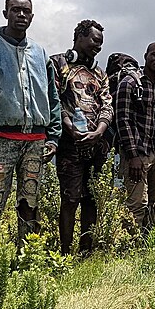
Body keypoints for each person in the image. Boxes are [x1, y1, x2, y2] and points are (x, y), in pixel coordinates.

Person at [0, 0, 61, 251]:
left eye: (26, 11)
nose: (21, 15)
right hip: (0, 138)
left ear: (32, 16)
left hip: (36, 140)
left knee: (29, 201)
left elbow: (52, 95)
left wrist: (53, 135)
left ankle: (26, 256)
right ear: (5, 13)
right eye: (15, 10)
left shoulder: (40, 53)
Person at [51, 19, 113, 255]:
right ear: (79, 37)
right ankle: (65, 254)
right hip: (70, 145)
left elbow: (107, 104)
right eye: (95, 41)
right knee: (70, 199)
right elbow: (53, 101)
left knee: (92, 199)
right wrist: (70, 128)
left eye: (101, 43)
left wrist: (99, 131)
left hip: (97, 145)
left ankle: (85, 251)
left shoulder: (100, 73)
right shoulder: (58, 64)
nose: (98, 46)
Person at [115, 42, 155, 237]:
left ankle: (146, 243)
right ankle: (130, 246)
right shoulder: (130, 84)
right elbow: (122, 120)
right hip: (137, 155)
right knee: (136, 204)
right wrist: (132, 155)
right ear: (145, 56)